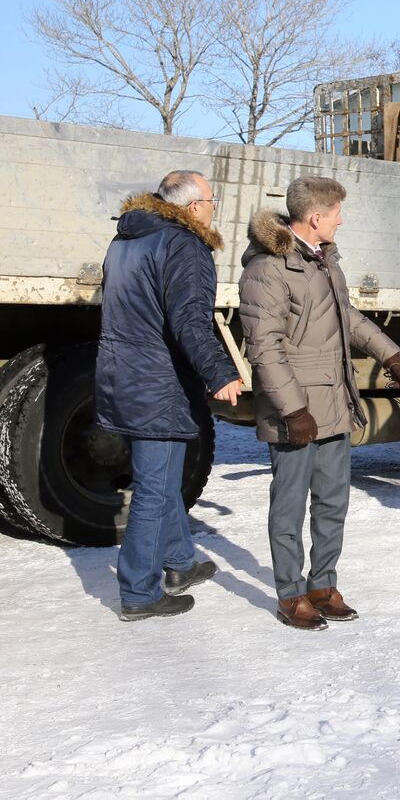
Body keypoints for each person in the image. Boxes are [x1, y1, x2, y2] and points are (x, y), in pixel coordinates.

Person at [239, 176, 400, 631]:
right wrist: (294, 410)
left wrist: (387, 350)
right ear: (316, 218)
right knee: (290, 507)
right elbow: (265, 347)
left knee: (333, 501)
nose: (341, 219)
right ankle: (290, 594)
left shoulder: (324, 261)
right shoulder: (267, 268)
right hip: (294, 410)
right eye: (337, 212)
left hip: (334, 400)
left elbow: (344, 316)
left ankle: (322, 584)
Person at [94, 171, 242, 621]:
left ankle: (180, 563)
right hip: (159, 381)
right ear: (194, 206)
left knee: (162, 478)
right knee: (155, 490)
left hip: (124, 374)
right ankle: (139, 592)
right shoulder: (184, 245)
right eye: (212, 200)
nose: (215, 207)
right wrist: (221, 371)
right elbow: (189, 321)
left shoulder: (126, 239)